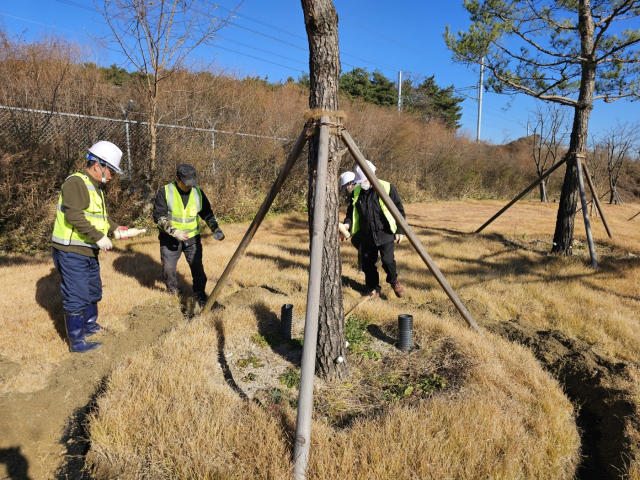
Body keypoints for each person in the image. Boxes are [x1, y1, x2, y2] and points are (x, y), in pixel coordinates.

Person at [51, 140, 130, 353]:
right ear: (98, 166)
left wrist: (115, 229)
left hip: (87, 249)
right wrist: (99, 237)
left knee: (93, 290)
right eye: (111, 170)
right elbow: (74, 215)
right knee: (77, 295)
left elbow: (98, 218)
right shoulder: (76, 183)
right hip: (71, 251)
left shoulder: (96, 187)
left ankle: (90, 325)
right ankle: (77, 342)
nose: (113, 175)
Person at [153, 164, 224, 307]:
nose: (189, 186)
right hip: (170, 239)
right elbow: (158, 216)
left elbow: (207, 213)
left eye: (191, 183)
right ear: (177, 179)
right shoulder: (165, 192)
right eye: (186, 184)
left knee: (197, 267)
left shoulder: (197, 192)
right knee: (168, 268)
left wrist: (215, 228)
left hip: (192, 239)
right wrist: (174, 231)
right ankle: (174, 291)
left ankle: (200, 294)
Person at [341, 160, 406, 299]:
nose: (360, 183)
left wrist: (400, 230)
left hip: (385, 233)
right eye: (359, 181)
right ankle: (373, 289)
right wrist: (347, 224)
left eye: (363, 180)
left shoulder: (386, 187)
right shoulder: (356, 192)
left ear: (371, 176)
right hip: (366, 235)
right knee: (368, 265)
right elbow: (350, 213)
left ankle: (394, 281)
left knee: (388, 261)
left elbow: (399, 210)